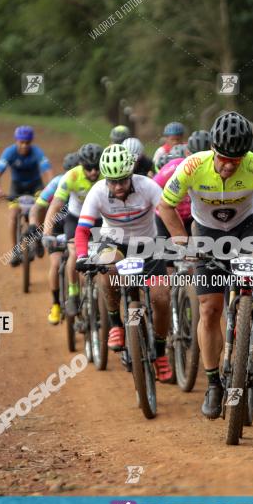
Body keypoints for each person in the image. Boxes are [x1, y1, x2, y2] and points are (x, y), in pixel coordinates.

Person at [157, 111, 253, 419]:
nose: (228, 166)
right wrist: (181, 240)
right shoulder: (192, 167)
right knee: (209, 309)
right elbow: (165, 205)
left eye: (236, 160)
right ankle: (213, 383)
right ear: (213, 149)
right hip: (206, 232)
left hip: (246, 228)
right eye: (224, 158)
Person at [74, 144, 173, 382]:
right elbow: (82, 230)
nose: (118, 186)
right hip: (113, 242)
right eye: (112, 181)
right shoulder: (97, 192)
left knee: (161, 297)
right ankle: (116, 323)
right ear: (105, 179)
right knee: (106, 267)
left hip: (148, 244)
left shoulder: (148, 186)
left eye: (123, 180)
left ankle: (160, 353)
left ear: (131, 175)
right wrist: (80, 256)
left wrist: (180, 243)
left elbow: (167, 213)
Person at [43, 143, 103, 317]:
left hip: (100, 219)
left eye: (96, 167)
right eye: (89, 168)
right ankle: (73, 292)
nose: (93, 172)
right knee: (75, 253)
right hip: (76, 219)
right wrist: (47, 232)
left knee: (106, 255)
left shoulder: (106, 174)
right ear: (81, 165)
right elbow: (55, 205)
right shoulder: (71, 176)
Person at [0, 126, 52, 266]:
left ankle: (39, 236)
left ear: (31, 142)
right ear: (16, 141)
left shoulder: (37, 152)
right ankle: (15, 250)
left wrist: (51, 188)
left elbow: (48, 172)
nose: (24, 145)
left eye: (27, 142)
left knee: (42, 206)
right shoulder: (9, 152)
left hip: (35, 185)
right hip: (17, 187)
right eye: (21, 142)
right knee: (13, 214)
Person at [31, 152, 77, 324]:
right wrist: (35, 229)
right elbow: (37, 208)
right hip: (58, 226)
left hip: (78, 225)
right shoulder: (58, 182)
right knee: (56, 264)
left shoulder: (89, 183)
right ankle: (56, 304)